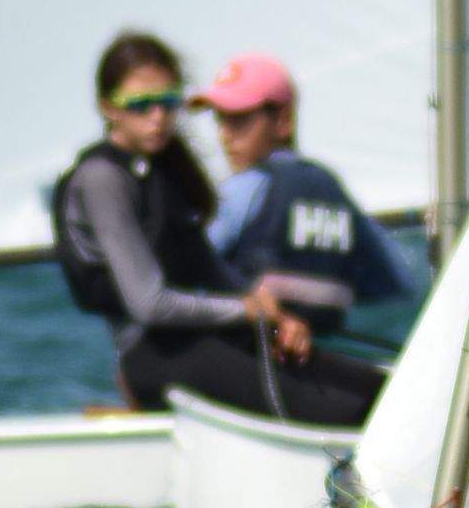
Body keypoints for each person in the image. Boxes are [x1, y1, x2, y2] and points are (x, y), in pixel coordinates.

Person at [49, 31, 380, 429]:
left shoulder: (164, 169)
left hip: (200, 338)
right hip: (153, 355)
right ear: (108, 108)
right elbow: (148, 304)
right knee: (343, 410)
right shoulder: (103, 179)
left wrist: (277, 318)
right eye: (140, 105)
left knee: (377, 391)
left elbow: (210, 270)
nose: (157, 117)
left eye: (168, 102)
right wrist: (247, 310)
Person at [198, 52, 415, 338]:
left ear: (283, 121)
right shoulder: (333, 190)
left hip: (252, 352)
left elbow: (184, 270)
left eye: (239, 119)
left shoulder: (241, 189)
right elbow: (400, 282)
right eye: (220, 119)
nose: (225, 134)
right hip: (322, 357)